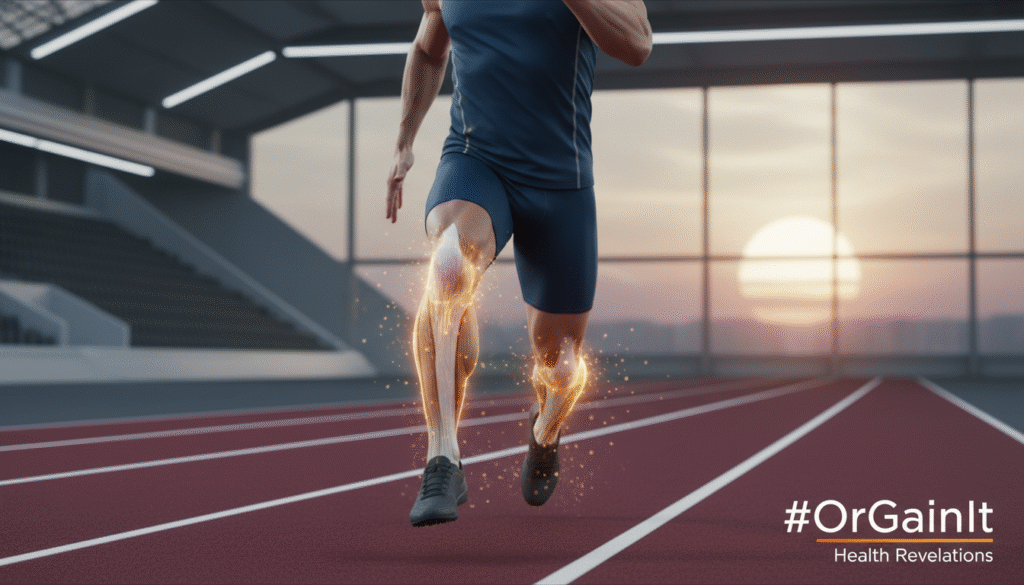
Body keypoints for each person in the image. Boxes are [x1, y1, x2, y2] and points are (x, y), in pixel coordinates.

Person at [386, 0, 651, 527]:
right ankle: (443, 458)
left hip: (561, 184)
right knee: (448, 269)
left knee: (563, 368)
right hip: (475, 160)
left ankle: (545, 431)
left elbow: (638, 44)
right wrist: (404, 144)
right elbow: (426, 47)